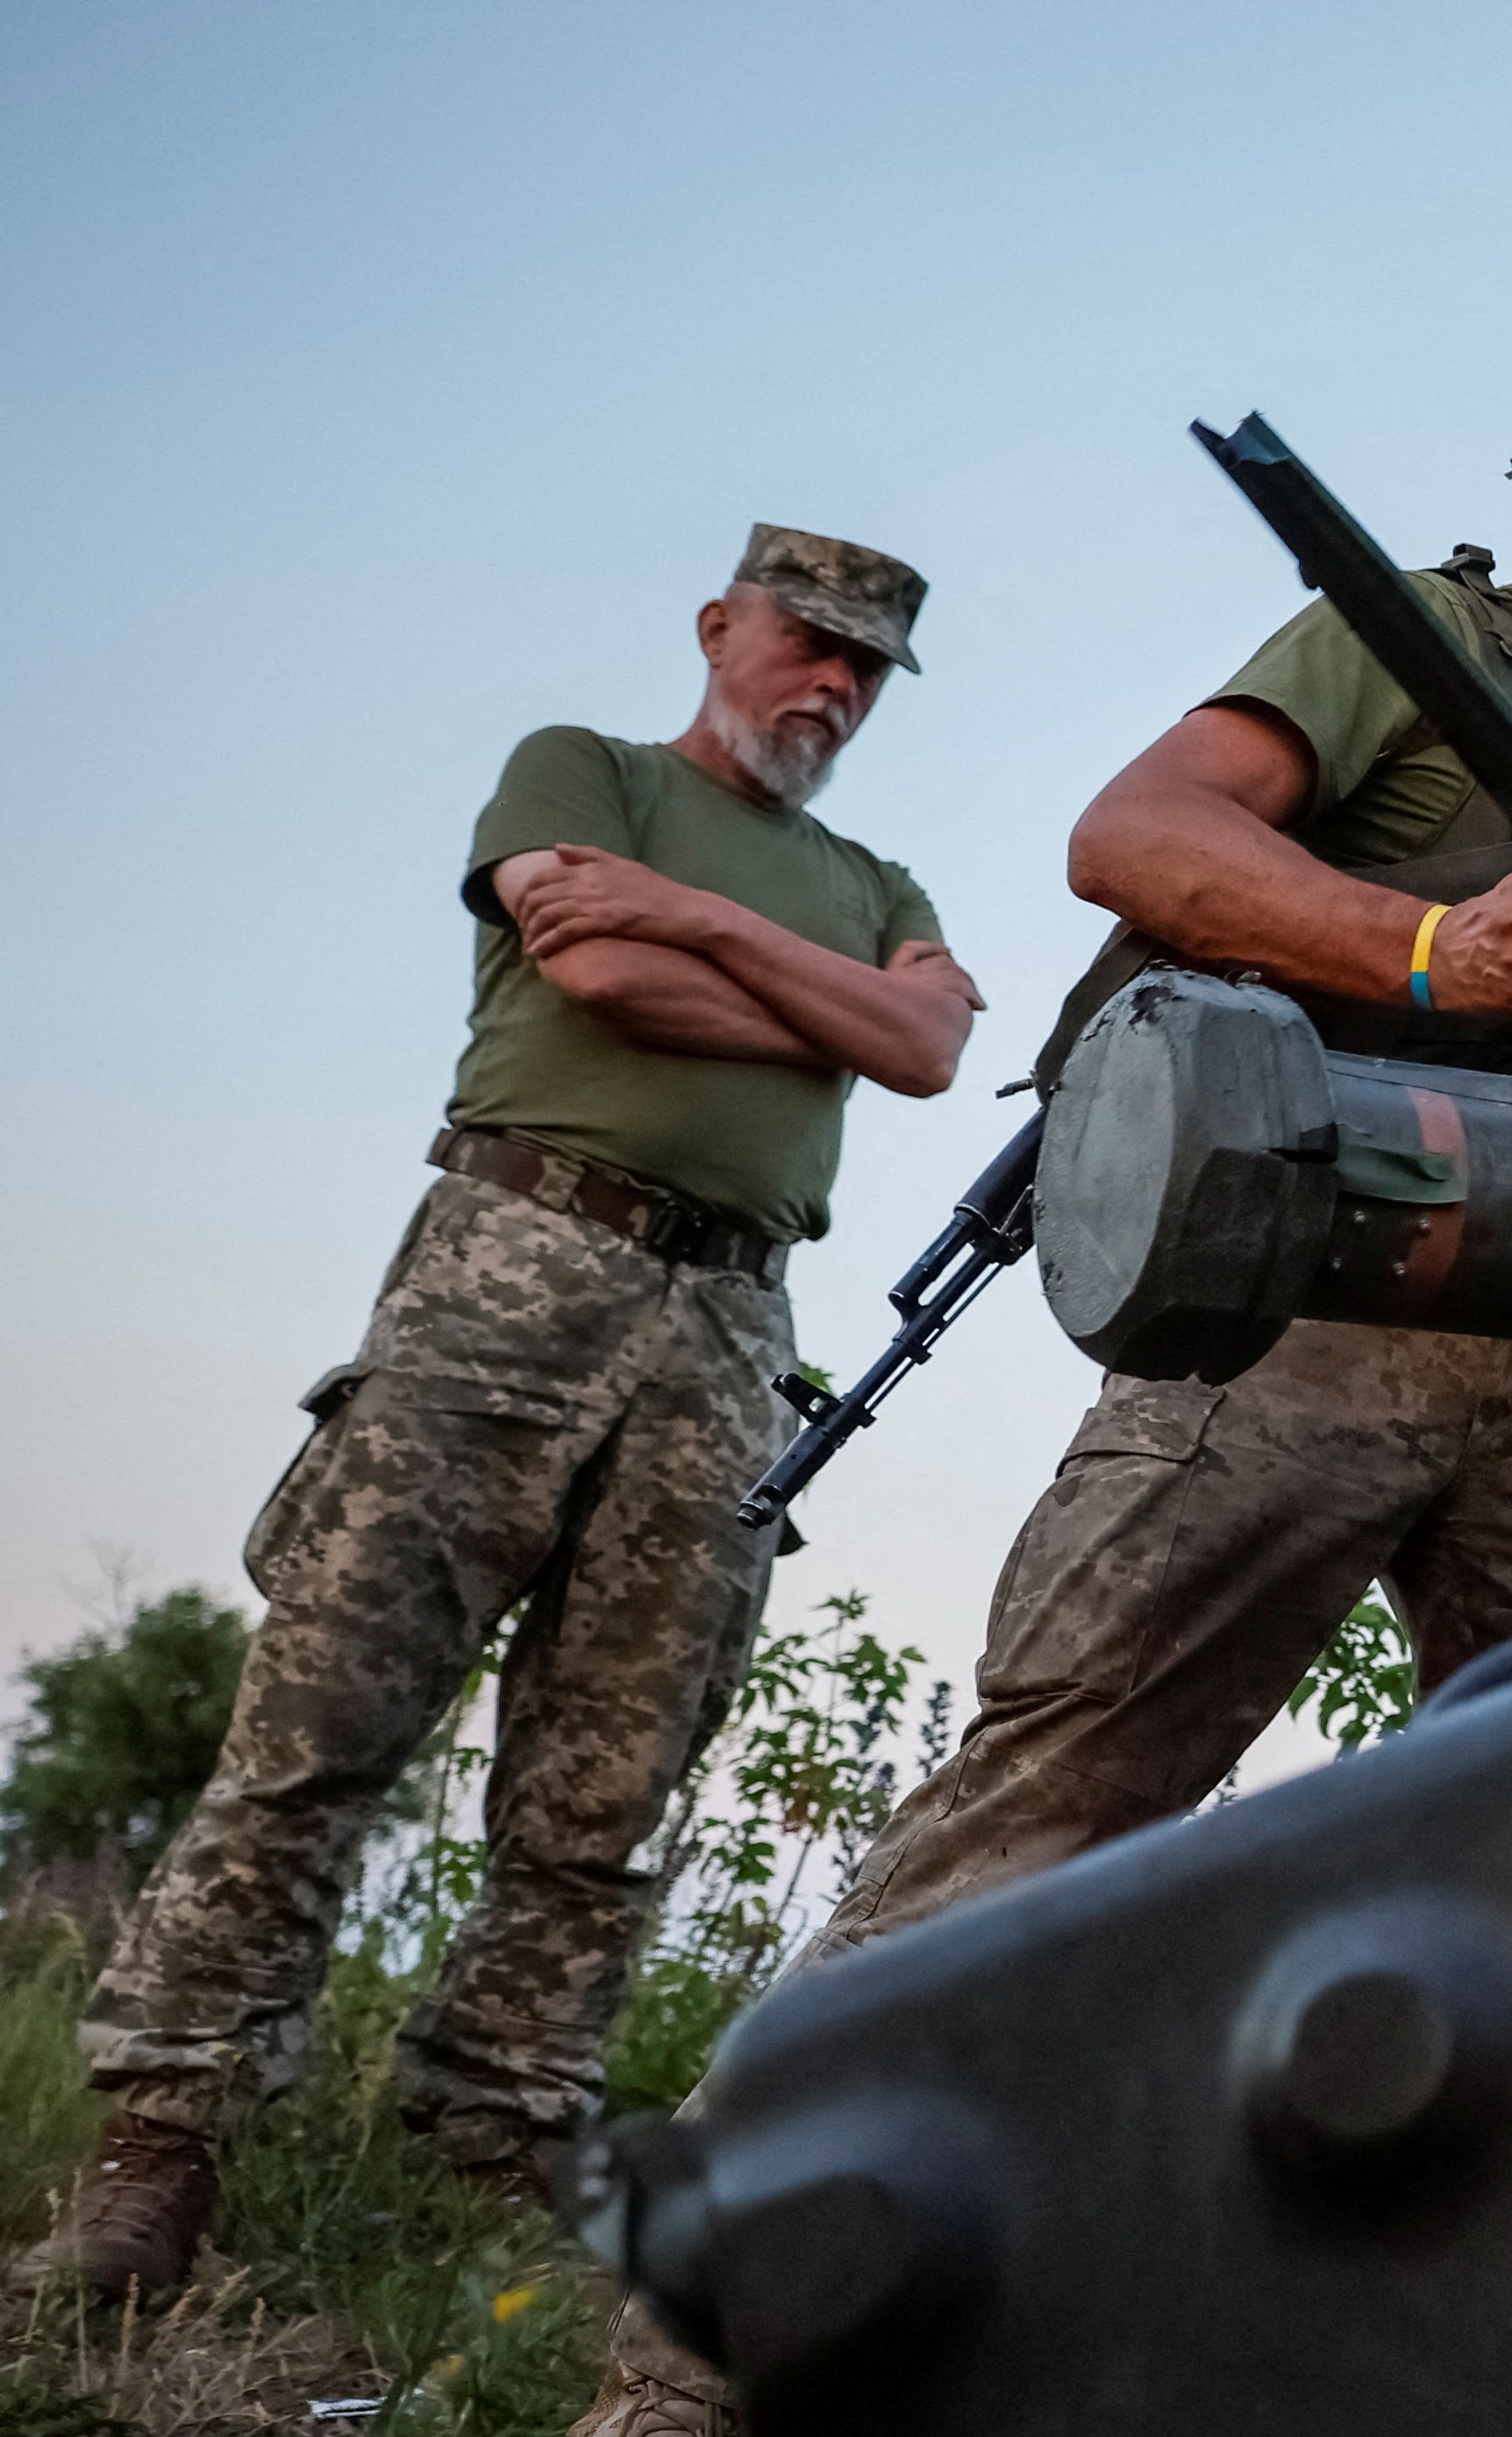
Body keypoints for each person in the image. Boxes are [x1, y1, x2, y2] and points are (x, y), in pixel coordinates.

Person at [547, 272, 1512, 2437]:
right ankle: (683, 2387)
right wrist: (1420, 945)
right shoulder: (1415, 651)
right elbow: (1136, 839)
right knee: (1043, 1828)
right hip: (1296, 1327)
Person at [29, 528, 975, 2310]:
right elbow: (591, 975)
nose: (831, 683)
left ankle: (497, 2133)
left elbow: (922, 1050)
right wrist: (821, 1014)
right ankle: (164, 2141)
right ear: (721, 626)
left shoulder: (877, 872)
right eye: (807, 640)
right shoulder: (582, 772)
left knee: (607, 1781)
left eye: (866, 665)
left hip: (729, 1326)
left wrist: (694, 918)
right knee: (320, 1716)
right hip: (513, 1265)